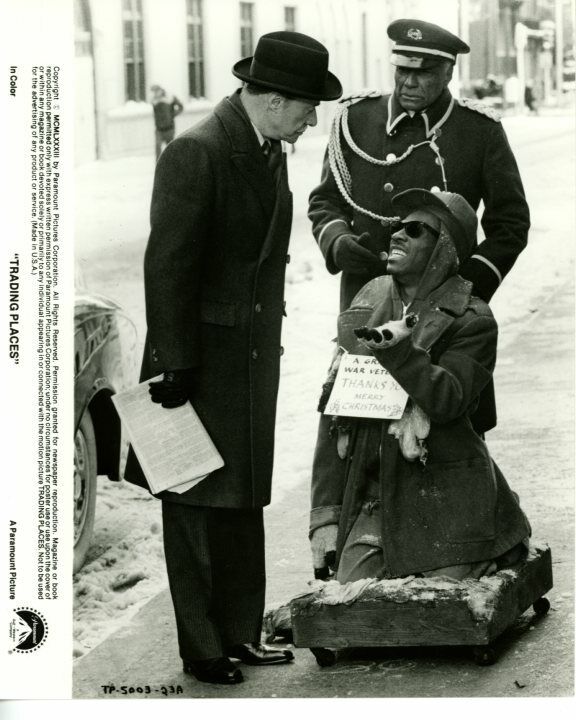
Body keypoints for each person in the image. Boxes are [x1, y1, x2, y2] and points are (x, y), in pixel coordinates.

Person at [124, 32, 342, 685]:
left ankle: (240, 633)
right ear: (274, 101)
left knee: (243, 498)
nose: (310, 122)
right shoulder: (198, 151)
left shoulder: (264, 146)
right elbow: (167, 266)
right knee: (194, 504)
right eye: (306, 109)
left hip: (247, 359)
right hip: (195, 364)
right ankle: (203, 647)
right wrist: (172, 362)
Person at [308, 18, 530, 430]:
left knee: (445, 433)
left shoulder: (478, 131)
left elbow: (511, 224)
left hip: (445, 319)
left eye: (423, 72)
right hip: (366, 306)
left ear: (448, 72)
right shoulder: (354, 121)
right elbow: (326, 200)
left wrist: (464, 290)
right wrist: (337, 241)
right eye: (402, 70)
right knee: (359, 431)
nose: (409, 82)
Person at [309, 188, 531, 585]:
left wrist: (399, 353)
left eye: (414, 230)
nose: (396, 234)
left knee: (440, 595)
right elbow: (336, 415)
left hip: (445, 493)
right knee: (354, 592)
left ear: (443, 248)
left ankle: (499, 536)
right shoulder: (365, 306)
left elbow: (448, 400)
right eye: (397, 226)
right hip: (378, 498)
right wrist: (324, 517)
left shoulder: (473, 318)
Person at [150, 84, 184, 160]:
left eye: (156, 91)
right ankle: (158, 166)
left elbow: (181, 107)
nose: (155, 93)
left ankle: (172, 164)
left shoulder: (170, 98)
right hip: (159, 129)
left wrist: (173, 114)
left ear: (161, 91)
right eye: (154, 92)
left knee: (170, 148)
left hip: (169, 128)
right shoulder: (154, 101)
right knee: (157, 147)